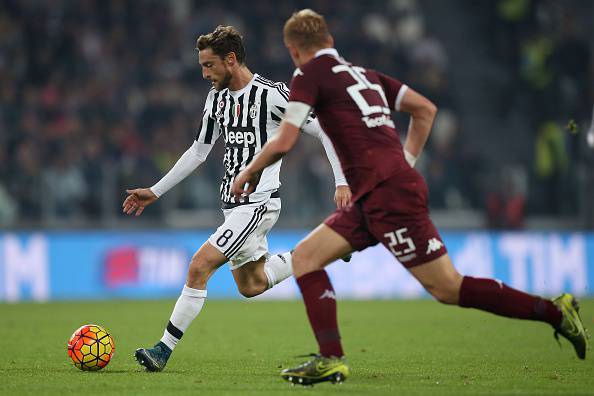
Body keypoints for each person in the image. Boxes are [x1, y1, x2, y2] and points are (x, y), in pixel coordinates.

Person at [232, 9, 589, 386]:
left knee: (448, 287)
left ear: (293, 51)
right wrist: (404, 162)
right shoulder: (365, 75)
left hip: (388, 196)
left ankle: (554, 312)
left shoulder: (308, 75)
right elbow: (425, 110)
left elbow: (286, 140)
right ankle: (331, 358)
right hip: (375, 195)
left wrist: (249, 171)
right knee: (305, 258)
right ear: (330, 42)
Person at [123, 25, 352, 372]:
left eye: (209, 65)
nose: (204, 74)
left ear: (231, 60)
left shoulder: (274, 95)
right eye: (202, 66)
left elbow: (325, 131)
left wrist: (341, 181)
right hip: (232, 208)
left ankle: (162, 350)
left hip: (258, 203)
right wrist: (156, 190)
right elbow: (198, 152)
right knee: (252, 284)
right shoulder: (216, 99)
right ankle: (327, 249)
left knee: (199, 265)